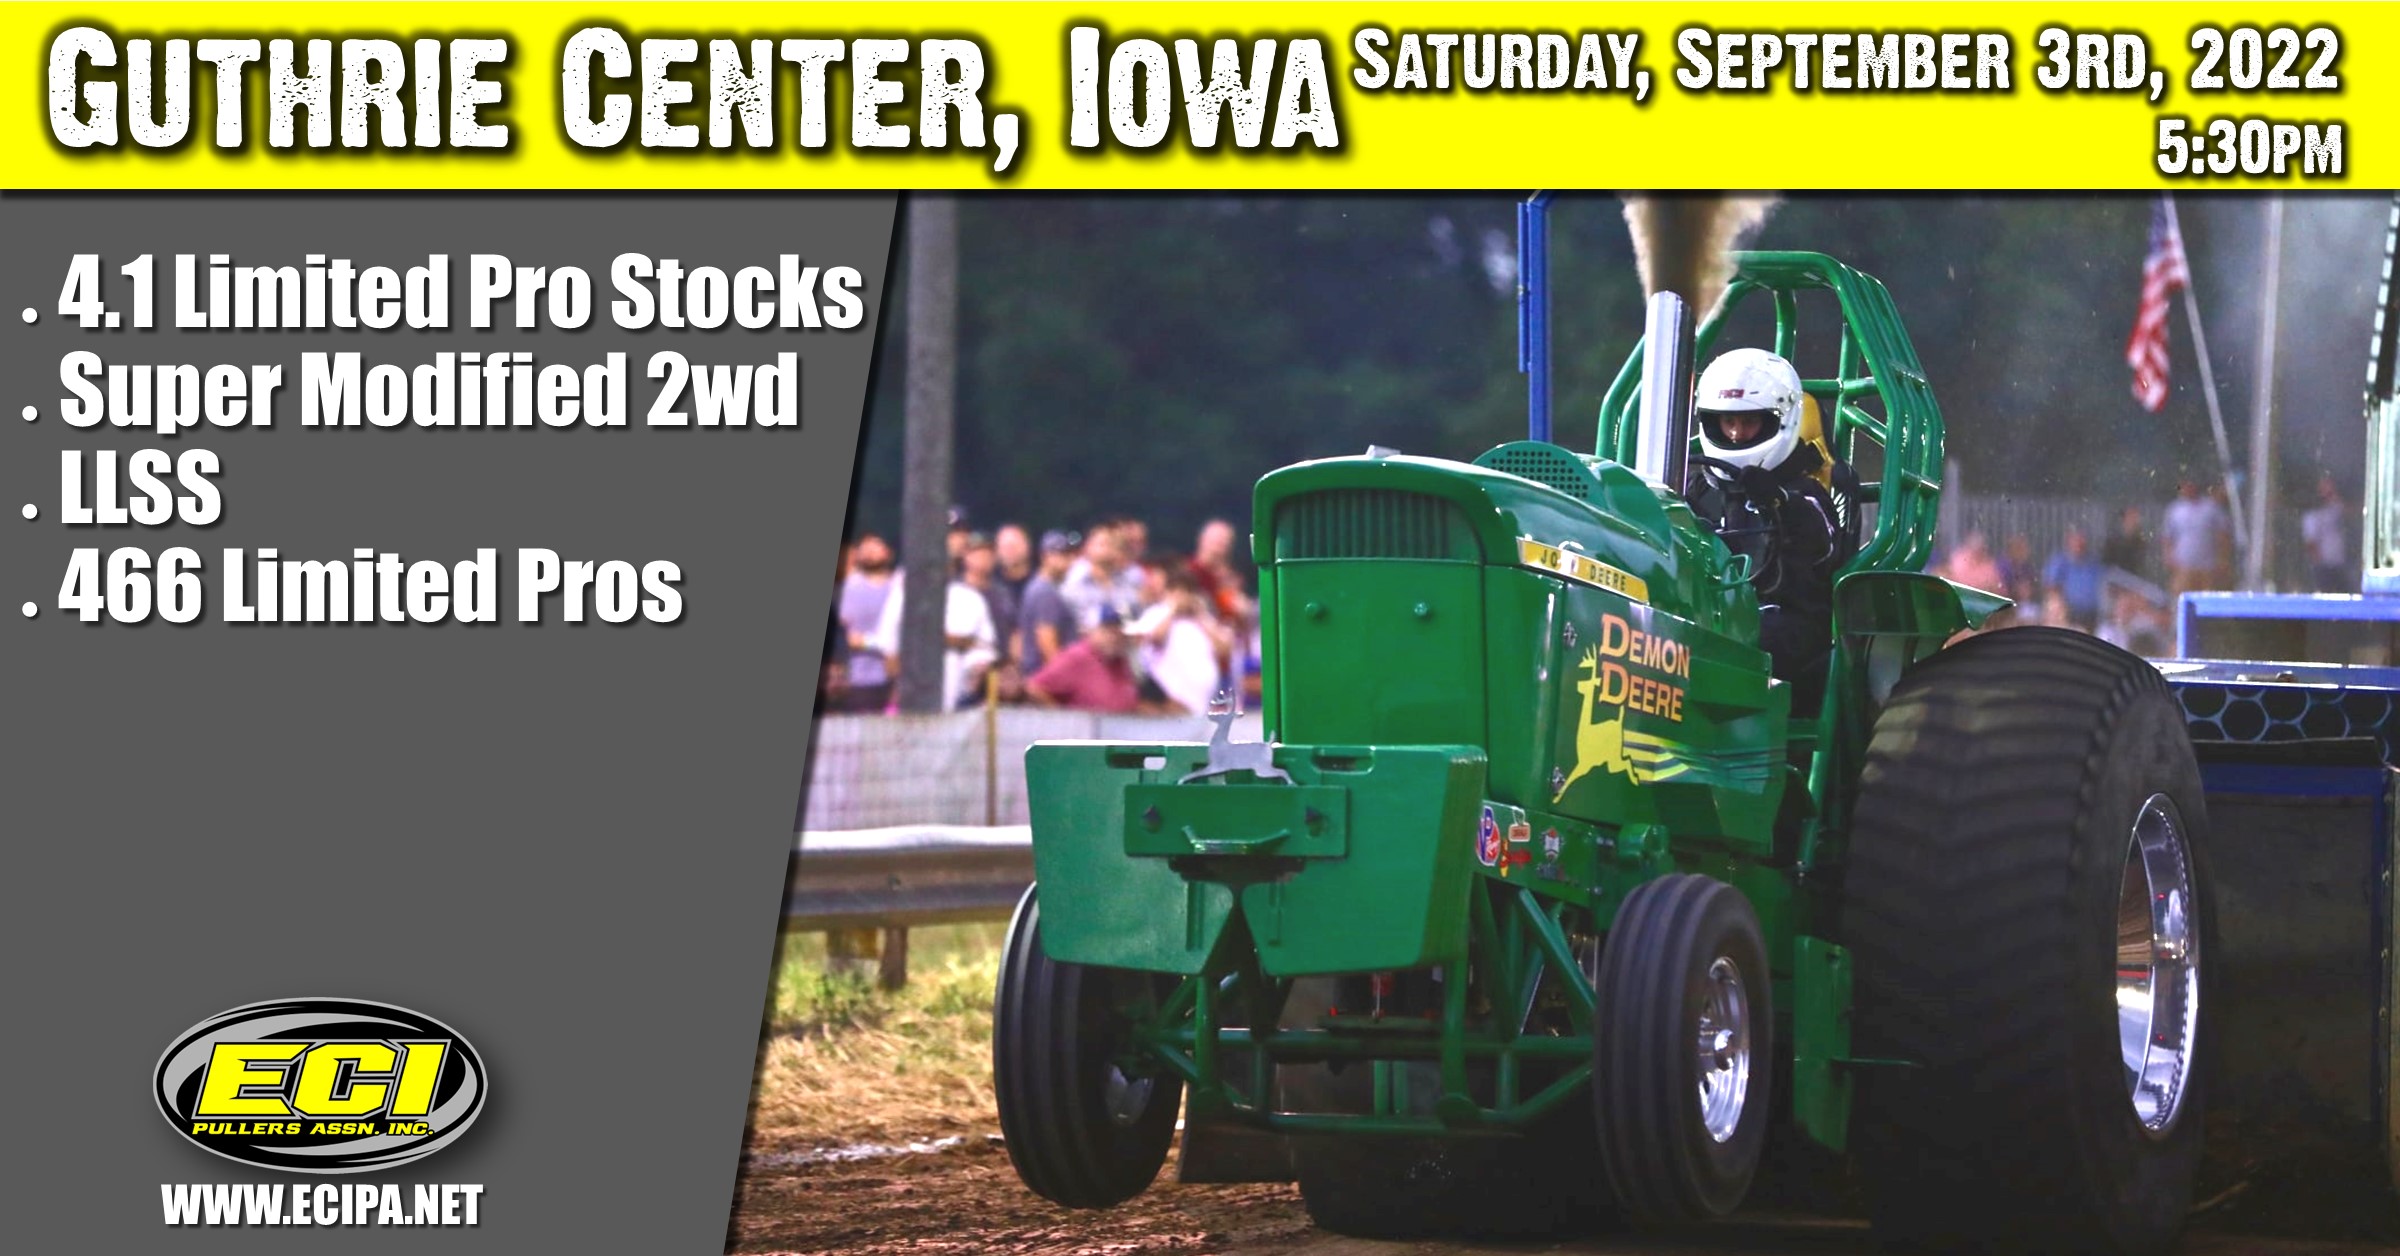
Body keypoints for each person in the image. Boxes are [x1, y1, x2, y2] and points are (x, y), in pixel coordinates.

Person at [1682, 348, 1841, 701]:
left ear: (1779, 420)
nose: (1737, 434)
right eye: (1728, 422)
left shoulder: (1805, 491)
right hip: (1711, 615)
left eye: (1749, 422)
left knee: (1740, 642)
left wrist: (1778, 501)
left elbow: (1824, 538)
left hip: (1790, 622)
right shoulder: (1699, 490)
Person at [1024, 605, 1141, 713]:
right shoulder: (1077, 658)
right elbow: (1035, 687)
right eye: (1109, 630)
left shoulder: (1121, 661)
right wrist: (1061, 719)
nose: (1116, 637)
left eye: (1120, 631)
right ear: (1092, 631)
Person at [834, 534, 899, 713]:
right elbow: (847, 637)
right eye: (864, 546)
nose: (869, 549)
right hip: (860, 681)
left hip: (897, 680)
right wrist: (881, 643)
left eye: (875, 544)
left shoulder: (899, 586)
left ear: (889, 553)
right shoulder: (849, 588)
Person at [1017, 530, 1081, 669]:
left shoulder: (1045, 587)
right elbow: (1047, 641)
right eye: (1060, 554)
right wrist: (1063, 675)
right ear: (1045, 556)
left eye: (1069, 554)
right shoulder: (1044, 591)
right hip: (1044, 673)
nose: (1067, 559)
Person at [2043, 527, 2106, 632]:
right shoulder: (2059, 561)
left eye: (2082, 539)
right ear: (2069, 541)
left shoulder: (2094, 562)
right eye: (2076, 539)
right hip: (2069, 614)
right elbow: (2051, 587)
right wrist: (2058, 610)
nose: (2079, 543)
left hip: (2093, 614)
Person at [2303, 474, 2349, 592]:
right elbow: (2311, 543)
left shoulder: (2334, 510)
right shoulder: (2311, 516)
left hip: (2339, 565)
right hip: (2324, 568)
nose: (2327, 491)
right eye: (2323, 488)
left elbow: (2346, 510)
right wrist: (2319, 565)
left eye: (2329, 487)